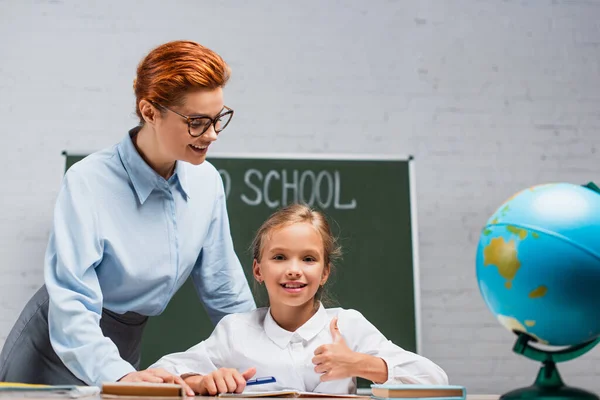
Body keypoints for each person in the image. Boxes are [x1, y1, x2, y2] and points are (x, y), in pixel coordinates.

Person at [0, 40, 255, 395]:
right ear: (150, 112)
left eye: (217, 119)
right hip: (56, 342)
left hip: (123, 345)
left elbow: (225, 289)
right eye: (197, 122)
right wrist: (117, 373)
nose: (211, 135)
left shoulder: (206, 182)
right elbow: (71, 299)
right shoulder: (88, 181)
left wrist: (263, 355)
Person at [150, 204, 449, 395]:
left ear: (324, 272)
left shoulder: (347, 325)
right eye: (279, 257)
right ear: (258, 270)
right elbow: (159, 375)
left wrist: (361, 364)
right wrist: (199, 382)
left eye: (308, 259)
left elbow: (437, 382)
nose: (294, 270)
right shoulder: (235, 331)